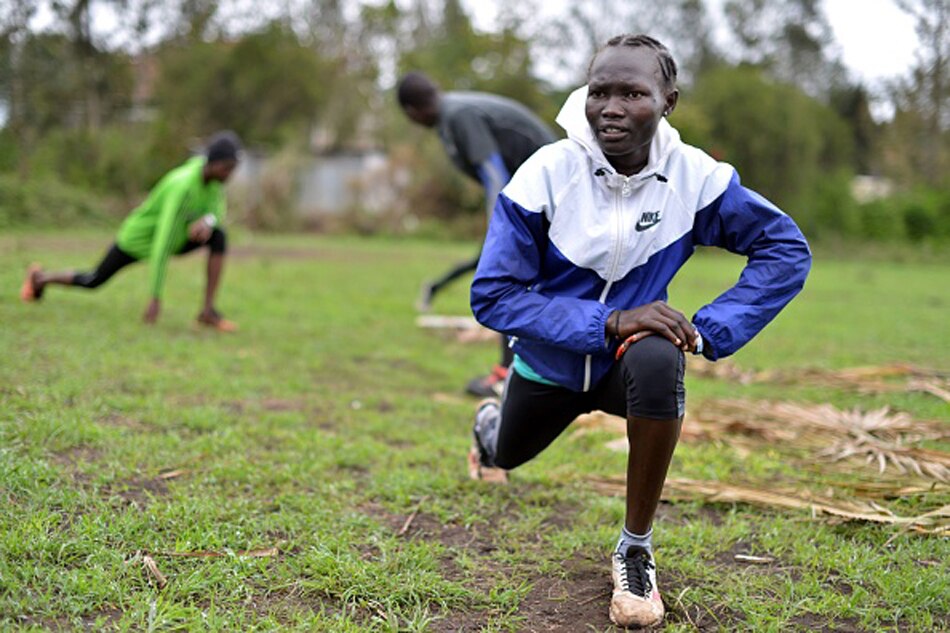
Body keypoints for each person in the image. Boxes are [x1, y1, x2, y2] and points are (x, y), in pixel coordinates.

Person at [468, 34, 811, 629]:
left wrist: (706, 331)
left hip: (628, 363)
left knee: (659, 357)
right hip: (547, 365)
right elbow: (492, 296)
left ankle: (635, 547)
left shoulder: (695, 178)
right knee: (508, 453)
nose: (612, 107)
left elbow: (784, 249)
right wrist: (609, 320)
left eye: (634, 93)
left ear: (667, 101)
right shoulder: (546, 173)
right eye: (601, 91)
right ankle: (489, 428)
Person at [396, 71, 558, 397]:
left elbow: (493, 173)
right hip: (543, 195)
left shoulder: (459, 115)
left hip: (558, 191)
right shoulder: (451, 116)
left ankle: (507, 375)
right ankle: (522, 372)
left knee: (508, 278)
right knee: (521, 278)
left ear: (412, 113)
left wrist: (501, 228)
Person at [20, 130, 242, 331]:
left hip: (177, 240)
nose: (229, 175)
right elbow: (161, 242)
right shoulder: (182, 186)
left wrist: (209, 221)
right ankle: (40, 278)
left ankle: (208, 312)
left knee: (218, 236)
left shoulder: (214, 184)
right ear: (214, 163)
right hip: (138, 240)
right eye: (227, 168)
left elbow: (218, 208)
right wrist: (155, 297)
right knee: (94, 280)